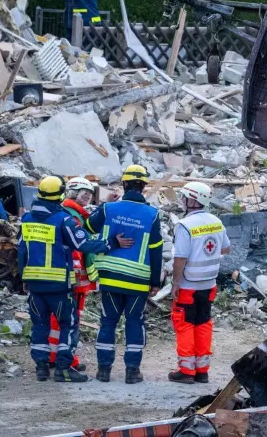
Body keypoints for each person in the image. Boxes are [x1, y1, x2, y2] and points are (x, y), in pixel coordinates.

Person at [20, 175, 132, 382]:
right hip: (59, 285)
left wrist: (23, 278)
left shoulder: (26, 219)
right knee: (68, 324)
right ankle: (63, 368)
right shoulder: (63, 220)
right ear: (62, 195)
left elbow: (22, 251)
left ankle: (42, 368)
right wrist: (112, 244)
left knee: (39, 326)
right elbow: (83, 244)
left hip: (35, 285)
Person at [85, 164, 163, 384]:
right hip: (138, 281)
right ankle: (132, 371)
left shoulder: (109, 209)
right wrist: (155, 281)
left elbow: (89, 227)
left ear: (125, 184)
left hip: (110, 277)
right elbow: (156, 249)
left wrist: (105, 205)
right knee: (134, 322)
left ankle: (103, 370)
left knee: (108, 322)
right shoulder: (152, 214)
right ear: (144, 187)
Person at [168, 182, 230, 384]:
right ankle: (202, 370)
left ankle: (186, 371)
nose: (182, 200)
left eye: (184, 197)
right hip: (208, 284)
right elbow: (225, 249)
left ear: (191, 200)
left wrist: (175, 283)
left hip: (188, 285)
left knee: (185, 324)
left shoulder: (185, 225)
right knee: (203, 324)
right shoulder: (216, 221)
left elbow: (180, 258)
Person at [44, 177, 99, 371]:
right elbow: (76, 249)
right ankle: (67, 359)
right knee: (70, 319)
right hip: (73, 278)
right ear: (72, 193)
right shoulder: (72, 216)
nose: (88, 197)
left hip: (68, 276)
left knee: (59, 317)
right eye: (84, 192)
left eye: (91, 194)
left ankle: (53, 355)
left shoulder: (74, 213)